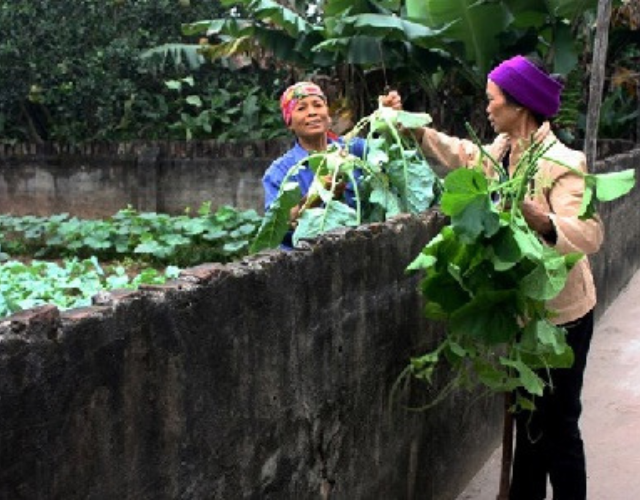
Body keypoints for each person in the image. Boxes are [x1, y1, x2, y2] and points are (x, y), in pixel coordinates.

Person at [398, 55, 603, 499]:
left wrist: (545, 221)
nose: (487, 108)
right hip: (521, 311)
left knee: (559, 423)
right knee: (528, 418)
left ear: (519, 106)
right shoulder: (500, 150)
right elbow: (463, 153)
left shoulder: (563, 161)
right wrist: (415, 129)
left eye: (492, 101)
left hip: (563, 313)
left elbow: (588, 233)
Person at [261, 81, 399, 247]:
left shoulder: (354, 149)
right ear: (289, 122)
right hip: (305, 262)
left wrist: (389, 118)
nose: (312, 112)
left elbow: (392, 154)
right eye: (301, 108)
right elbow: (279, 224)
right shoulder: (280, 172)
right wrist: (316, 196)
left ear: (327, 114)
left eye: (317, 105)